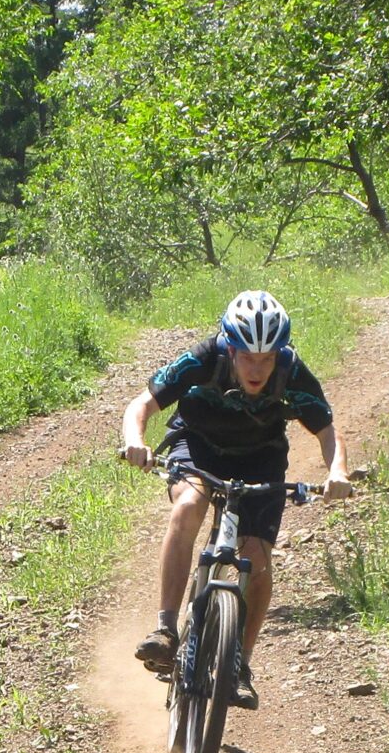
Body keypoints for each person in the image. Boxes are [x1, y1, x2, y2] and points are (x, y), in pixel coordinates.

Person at [119, 289, 351, 709]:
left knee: (256, 559)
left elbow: (327, 431)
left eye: (266, 358)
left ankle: (239, 664)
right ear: (230, 345)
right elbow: (143, 404)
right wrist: (135, 441)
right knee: (189, 507)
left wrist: (337, 472)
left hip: (260, 459)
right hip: (198, 444)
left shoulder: (291, 370)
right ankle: (166, 629)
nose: (257, 368)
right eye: (247, 356)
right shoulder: (205, 357)